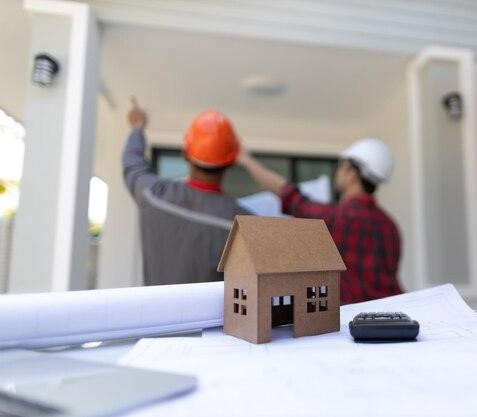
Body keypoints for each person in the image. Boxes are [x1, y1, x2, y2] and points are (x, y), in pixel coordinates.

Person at [238, 138, 403, 303]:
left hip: (351, 318)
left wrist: (247, 161)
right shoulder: (390, 226)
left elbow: (290, 196)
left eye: (341, 165)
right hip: (391, 313)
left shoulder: (339, 217)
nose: (337, 171)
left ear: (352, 173)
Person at [123, 98, 250, 285]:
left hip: (157, 315)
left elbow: (132, 162)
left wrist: (137, 127)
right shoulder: (243, 226)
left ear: (185, 154)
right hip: (213, 316)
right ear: (231, 162)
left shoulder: (154, 196)